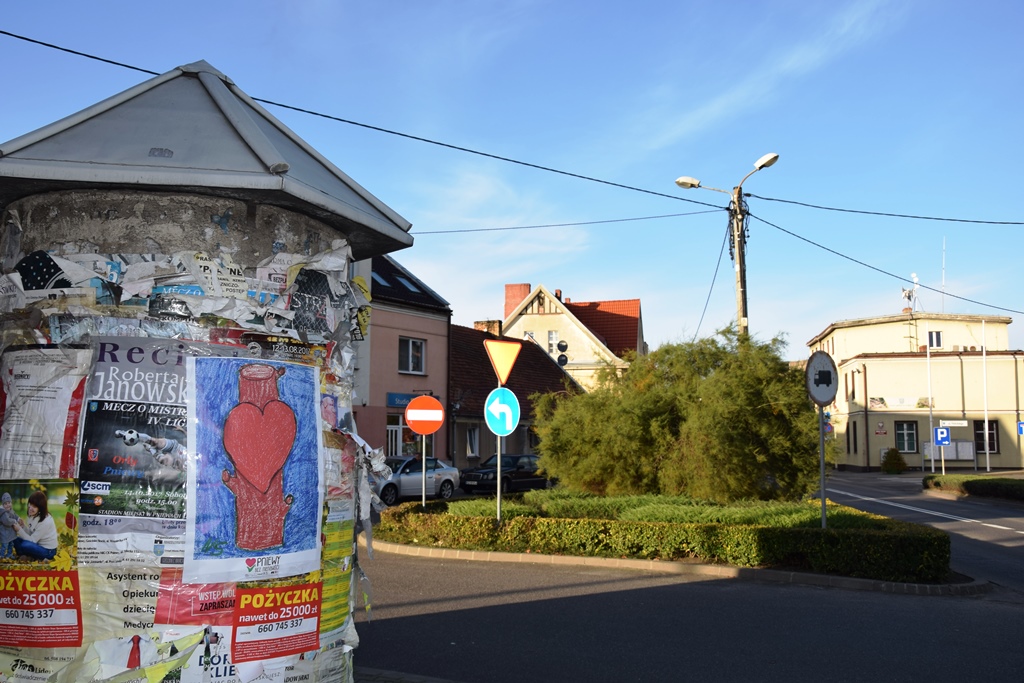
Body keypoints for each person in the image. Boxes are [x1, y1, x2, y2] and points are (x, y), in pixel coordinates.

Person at [13, 491, 58, 561]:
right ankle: (30, 556)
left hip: (48, 551)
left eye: (34, 506)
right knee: (14, 538)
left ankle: (31, 556)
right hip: (37, 544)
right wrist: (23, 527)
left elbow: (32, 540)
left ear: (40, 508)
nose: (30, 508)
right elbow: (31, 534)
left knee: (25, 545)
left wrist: (19, 530)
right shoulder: (33, 515)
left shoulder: (46, 521)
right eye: (30, 504)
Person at [0, 493, 20, 559]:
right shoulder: (3, 513)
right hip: (5, 533)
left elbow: (14, 515)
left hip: (10, 533)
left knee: (11, 544)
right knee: (5, 545)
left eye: (9, 502)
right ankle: (1, 555)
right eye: (5, 504)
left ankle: (9, 554)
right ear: (3, 505)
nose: (8, 505)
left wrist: (18, 518)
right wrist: (14, 521)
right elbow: (7, 521)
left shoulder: (10, 510)